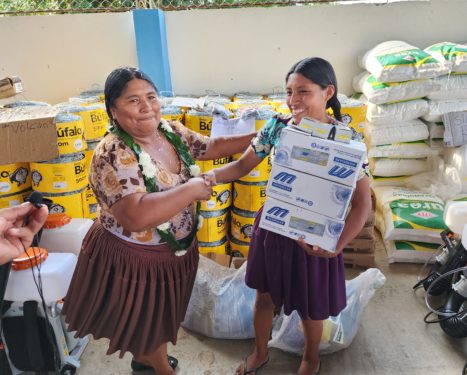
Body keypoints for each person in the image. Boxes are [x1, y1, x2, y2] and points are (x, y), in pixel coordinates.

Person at [61, 67, 256, 375]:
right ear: (112, 109)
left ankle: (147, 362)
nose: (146, 107)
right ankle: (160, 367)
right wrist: (190, 189)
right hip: (135, 259)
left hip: (172, 252)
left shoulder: (169, 131)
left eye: (150, 97)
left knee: (159, 316)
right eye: (133, 100)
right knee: (145, 319)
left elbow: (211, 147)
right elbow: (136, 215)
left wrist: (260, 136)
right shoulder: (113, 153)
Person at [205, 57, 371, 375]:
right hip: (274, 228)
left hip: (318, 236)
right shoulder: (278, 128)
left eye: (303, 91)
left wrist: (337, 245)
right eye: (289, 92)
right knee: (264, 298)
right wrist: (208, 178)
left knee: (312, 307)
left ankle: (311, 358)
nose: (293, 100)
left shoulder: (349, 141)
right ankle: (260, 353)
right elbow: (241, 166)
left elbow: (362, 204)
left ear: (328, 92)